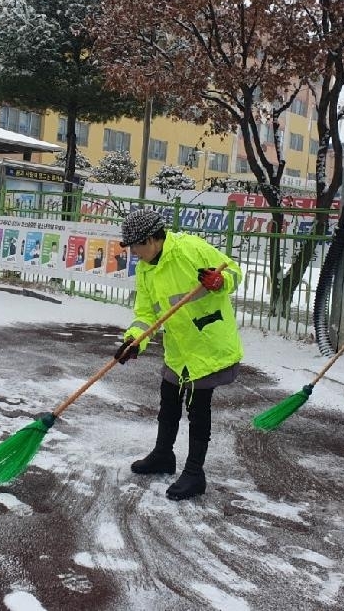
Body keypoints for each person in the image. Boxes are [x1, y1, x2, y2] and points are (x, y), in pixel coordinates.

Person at [113, 208, 243, 501]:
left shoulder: (189, 249)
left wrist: (220, 282)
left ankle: (195, 473)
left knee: (198, 410)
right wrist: (134, 340)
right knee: (168, 402)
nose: (133, 252)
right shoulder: (146, 270)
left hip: (208, 344)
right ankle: (163, 455)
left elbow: (234, 270)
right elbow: (145, 313)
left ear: (152, 240)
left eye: (136, 245)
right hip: (179, 348)